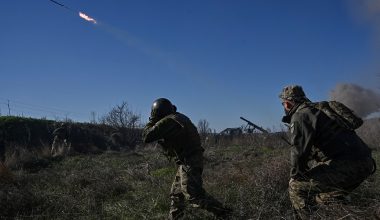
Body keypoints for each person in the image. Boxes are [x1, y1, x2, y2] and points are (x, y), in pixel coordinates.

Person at [279, 85, 375, 219]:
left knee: (296, 188)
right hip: (367, 162)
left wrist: (295, 175)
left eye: (283, 104)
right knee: (324, 199)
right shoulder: (321, 109)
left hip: (348, 166)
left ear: (287, 104)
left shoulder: (300, 115)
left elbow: (298, 153)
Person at [142, 98, 232, 220]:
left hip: (190, 161)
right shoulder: (178, 117)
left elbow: (146, 136)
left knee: (193, 195)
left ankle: (225, 213)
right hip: (186, 160)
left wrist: (152, 120)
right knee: (177, 195)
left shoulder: (169, 120)